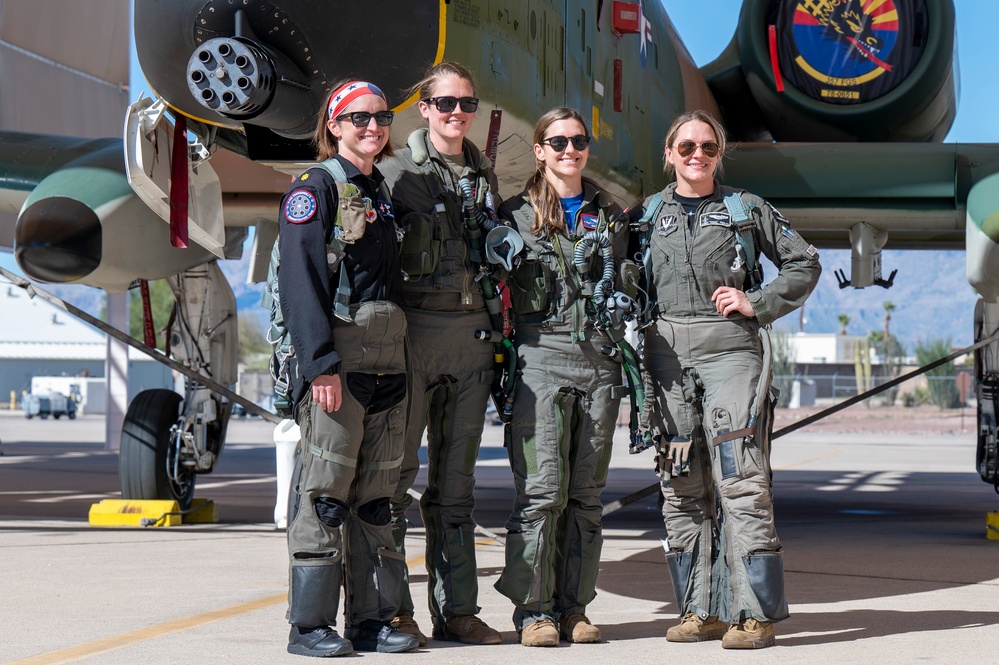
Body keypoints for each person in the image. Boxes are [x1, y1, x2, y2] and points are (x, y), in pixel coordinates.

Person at [634, 110, 821, 649]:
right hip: (666, 363)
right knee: (681, 486)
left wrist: (756, 302)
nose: (698, 155)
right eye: (687, 146)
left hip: (731, 355)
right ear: (668, 153)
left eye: (708, 148)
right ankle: (700, 611)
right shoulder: (644, 216)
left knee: (741, 483)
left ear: (720, 155)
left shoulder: (746, 209)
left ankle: (754, 613)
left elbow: (803, 263)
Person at [280, 79, 419, 657]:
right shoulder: (314, 189)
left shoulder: (379, 189)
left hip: (389, 361)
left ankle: (371, 620)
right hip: (340, 360)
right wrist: (320, 367)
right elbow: (300, 282)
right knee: (325, 493)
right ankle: (308, 626)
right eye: (358, 117)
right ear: (334, 125)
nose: (373, 126)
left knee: (376, 497)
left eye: (382, 117)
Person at [379, 61, 503, 646]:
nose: (458, 114)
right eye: (446, 104)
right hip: (413, 341)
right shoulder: (394, 172)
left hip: (472, 344)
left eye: (467, 105)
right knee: (395, 482)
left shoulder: (484, 173)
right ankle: (394, 611)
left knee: (456, 488)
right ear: (423, 109)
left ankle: (458, 611)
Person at [494, 107, 628, 647]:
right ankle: (534, 612)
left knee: (586, 495)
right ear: (540, 150)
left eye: (578, 140)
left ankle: (574, 608)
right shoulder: (513, 215)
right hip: (539, 358)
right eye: (558, 141)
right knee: (542, 492)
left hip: (599, 360)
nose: (569, 149)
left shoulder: (611, 214)